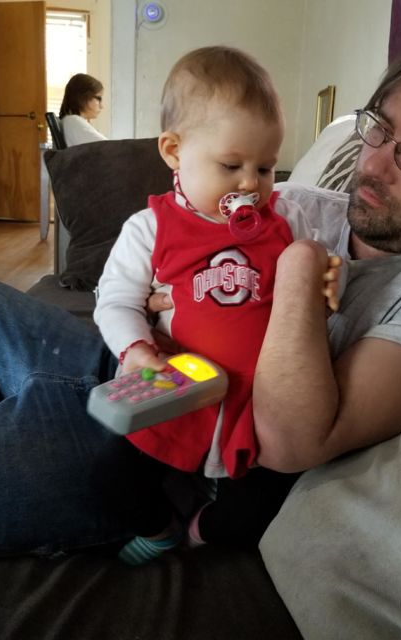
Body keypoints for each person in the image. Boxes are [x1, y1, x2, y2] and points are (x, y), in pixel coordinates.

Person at [0, 31, 401, 559]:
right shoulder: (303, 205)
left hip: (167, 442)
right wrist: (154, 313)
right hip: (136, 368)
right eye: (379, 130)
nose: (375, 164)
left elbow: (293, 442)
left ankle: (37, 472)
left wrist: (298, 272)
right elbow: (179, 246)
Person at [92, 46, 344, 564]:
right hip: (176, 384)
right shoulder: (150, 227)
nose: (250, 184)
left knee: (259, 512)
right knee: (109, 475)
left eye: (266, 168)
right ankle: (160, 527)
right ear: (173, 151)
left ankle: (201, 527)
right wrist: (136, 351)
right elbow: (115, 301)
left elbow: (314, 277)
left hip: (256, 400)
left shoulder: (288, 219)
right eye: (231, 166)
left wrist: (330, 277)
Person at [59, 72, 107, 146]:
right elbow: (109, 147)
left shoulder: (70, 121)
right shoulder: (73, 121)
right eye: (98, 98)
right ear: (83, 97)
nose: (102, 106)